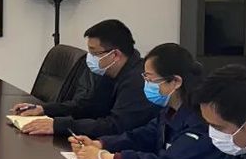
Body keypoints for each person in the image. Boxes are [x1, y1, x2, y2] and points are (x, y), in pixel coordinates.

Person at [69, 43, 221, 159]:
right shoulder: (169, 110)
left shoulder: (201, 119)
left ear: (175, 81)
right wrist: (101, 143)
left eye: (150, 79)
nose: (146, 85)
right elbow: (143, 135)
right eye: (145, 78)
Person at [12, 19, 159, 138]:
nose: (89, 58)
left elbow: (114, 126)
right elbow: (88, 107)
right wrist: (45, 109)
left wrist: (60, 126)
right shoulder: (110, 72)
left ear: (115, 55)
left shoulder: (139, 82)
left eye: (94, 53)